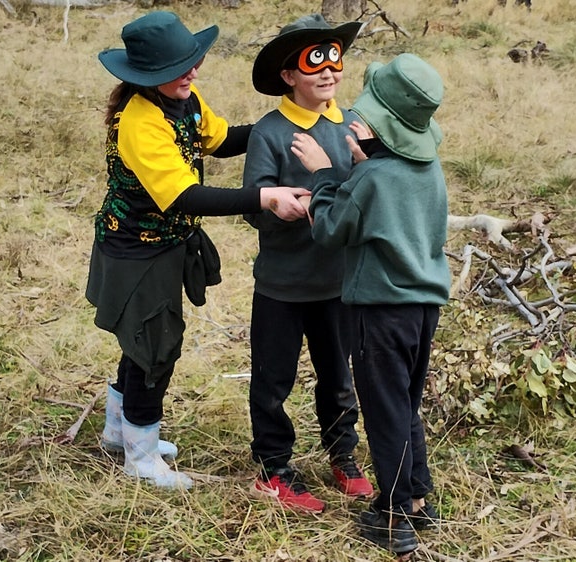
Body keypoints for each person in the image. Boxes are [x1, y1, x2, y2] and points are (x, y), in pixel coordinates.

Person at [87, 11, 310, 491]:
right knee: (154, 347)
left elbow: (223, 140)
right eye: (180, 66)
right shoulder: (140, 122)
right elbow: (184, 196)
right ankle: (141, 456)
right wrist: (263, 197)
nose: (194, 71)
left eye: (193, 60)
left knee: (143, 342)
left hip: (165, 244)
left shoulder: (184, 100)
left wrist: (281, 122)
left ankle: (118, 430)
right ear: (148, 76)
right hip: (134, 249)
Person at [291, 53, 451, 554]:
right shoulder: (426, 171)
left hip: (379, 312)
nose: (354, 121)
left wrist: (321, 175)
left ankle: (394, 515)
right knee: (404, 405)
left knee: (383, 412)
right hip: (423, 308)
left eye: (364, 117)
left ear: (378, 128)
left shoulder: (370, 179)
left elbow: (332, 230)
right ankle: (418, 498)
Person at [242, 14, 373, 514]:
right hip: (281, 283)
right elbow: (257, 205)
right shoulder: (270, 133)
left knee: (339, 374)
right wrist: (280, 208)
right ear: (288, 75)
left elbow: (369, 194)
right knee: (273, 380)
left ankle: (343, 454)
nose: (328, 71)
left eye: (334, 58)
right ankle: (274, 468)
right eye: (314, 61)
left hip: (338, 281)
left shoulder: (353, 125)